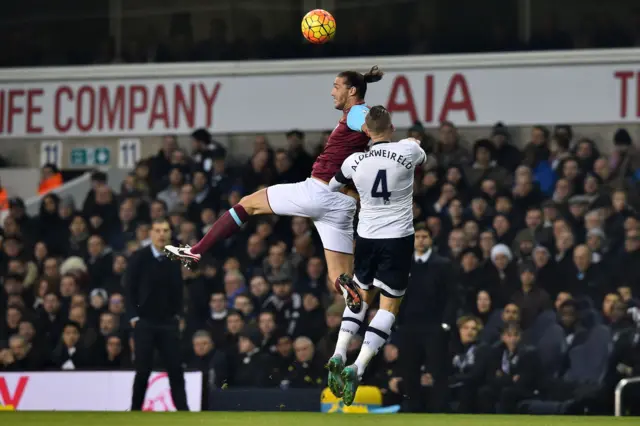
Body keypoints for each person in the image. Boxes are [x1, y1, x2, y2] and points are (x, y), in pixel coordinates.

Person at [164, 66, 384, 307]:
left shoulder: (357, 112)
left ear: (352, 90)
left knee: (248, 204)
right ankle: (364, 292)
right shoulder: (357, 116)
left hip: (319, 191)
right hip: (343, 205)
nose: (332, 92)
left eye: (336, 86)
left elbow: (373, 129)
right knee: (338, 276)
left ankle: (196, 251)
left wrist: (384, 146)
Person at [326, 105, 426, 406]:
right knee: (389, 306)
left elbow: (333, 187)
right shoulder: (407, 150)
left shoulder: (354, 160)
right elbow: (420, 152)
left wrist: (355, 195)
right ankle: (358, 366)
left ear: (366, 131)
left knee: (359, 296)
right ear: (392, 128)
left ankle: (339, 351)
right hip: (397, 239)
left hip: (366, 236)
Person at [125, 218, 189, 411]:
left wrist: (178, 315)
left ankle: (184, 412)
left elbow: (179, 289)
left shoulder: (173, 258)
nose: (162, 234)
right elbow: (129, 289)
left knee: (176, 369)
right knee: (142, 370)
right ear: (151, 234)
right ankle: (135, 410)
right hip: (144, 322)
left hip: (168, 322)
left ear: (170, 234)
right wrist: (134, 317)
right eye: (158, 230)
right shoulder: (139, 257)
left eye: (166, 230)